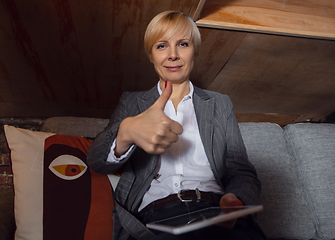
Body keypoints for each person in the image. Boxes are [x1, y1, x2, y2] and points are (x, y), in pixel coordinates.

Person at [87, 10, 266, 240]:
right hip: (155, 220)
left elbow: (242, 171)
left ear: (195, 52)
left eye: (182, 44)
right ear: (151, 55)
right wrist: (126, 132)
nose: (173, 55)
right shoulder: (132, 101)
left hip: (216, 213)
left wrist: (235, 199)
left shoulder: (220, 103)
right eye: (161, 46)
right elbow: (95, 161)